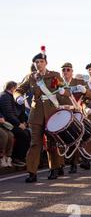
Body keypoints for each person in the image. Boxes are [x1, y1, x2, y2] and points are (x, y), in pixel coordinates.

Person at [15, 46, 71, 182]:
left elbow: (65, 90)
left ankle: (54, 169)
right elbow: (18, 89)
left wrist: (63, 91)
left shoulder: (54, 75)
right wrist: (18, 97)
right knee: (35, 143)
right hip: (36, 113)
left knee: (52, 142)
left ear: (46, 63)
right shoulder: (31, 77)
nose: (38, 64)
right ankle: (32, 172)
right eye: (36, 62)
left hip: (52, 112)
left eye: (41, 61)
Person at [0, 81, 30, 166]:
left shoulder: (11, 97)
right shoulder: (5, 96)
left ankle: (22, 157)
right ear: (13, 88)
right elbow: (8, 114)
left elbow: (20, 113)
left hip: (12, 123)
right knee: (22, 134)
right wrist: (19, 124)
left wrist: (24, 122)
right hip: (7, 124)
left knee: (27, 133)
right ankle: (16, 158)